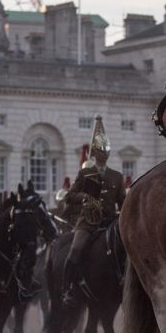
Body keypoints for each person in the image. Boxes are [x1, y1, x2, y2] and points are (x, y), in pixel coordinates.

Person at [61, 115, 126, 306]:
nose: (104, 154)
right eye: (101, 150)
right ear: (94, 152)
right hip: (88, 221)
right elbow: (69, 196)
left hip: (111, 221)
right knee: (75, 249)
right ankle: (67, 289)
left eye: (107, 150)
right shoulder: (85, 173)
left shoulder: (116, 176)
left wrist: (125, 217)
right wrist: (84, 197)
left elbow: (123, 202)